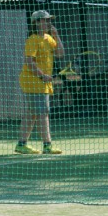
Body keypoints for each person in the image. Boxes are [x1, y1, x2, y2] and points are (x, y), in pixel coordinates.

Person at [15, 9, 65, 154]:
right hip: (33, 81)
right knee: (43, 112)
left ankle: (21, 144)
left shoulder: (48, 38)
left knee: (32, 113)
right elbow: (29, 62)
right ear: (36, 23)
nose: (49, 22)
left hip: (42, 82)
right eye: (45, 20)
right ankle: (47, 145)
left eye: (49, 20)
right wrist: (42, 76)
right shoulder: (33, 40)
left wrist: (56, 35)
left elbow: (60, 53)